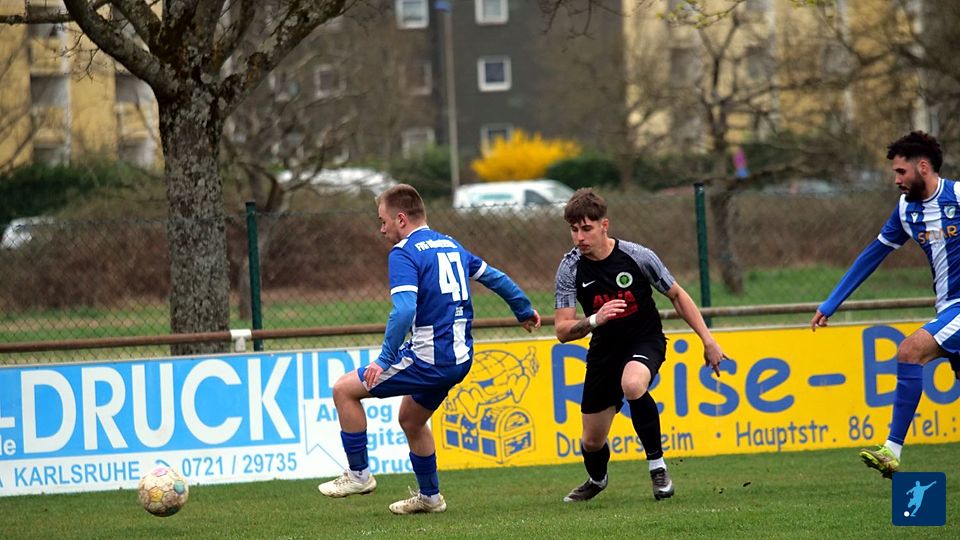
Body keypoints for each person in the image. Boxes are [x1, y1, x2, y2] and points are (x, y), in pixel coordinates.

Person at [318, 184, 541, 514]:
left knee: (343, 390)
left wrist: (384, 359)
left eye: (382, 221)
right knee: (411, 420)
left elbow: (404, 311)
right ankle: (430, 497)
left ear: (401, 219)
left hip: (428, 359)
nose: (381, 229)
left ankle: (358, 475)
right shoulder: (451, 244)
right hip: (460, 359)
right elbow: (495, 277)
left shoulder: (404, 252)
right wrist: (523, 309)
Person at [554, 188, 726, 503]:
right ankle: (597, 479)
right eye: (574, 229)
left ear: (604, 225)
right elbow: (562, 331)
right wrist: (595, 319)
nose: (579, 237)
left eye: (587, 228)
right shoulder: (570, 268)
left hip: (644, 340)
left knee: (633, 384)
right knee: (591, 441)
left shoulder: (637, 256)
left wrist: (708, 339)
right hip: (604, 351)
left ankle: (658, 468)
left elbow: (677, 295)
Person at [810, 130, 956, 478]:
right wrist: (832, 302)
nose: (896, 180)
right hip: (948, 309)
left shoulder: (958, 197)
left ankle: (892, 449)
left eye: (901, 171)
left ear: (923, 167)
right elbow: (872, 255)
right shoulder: (906, 211)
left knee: (910, 351)